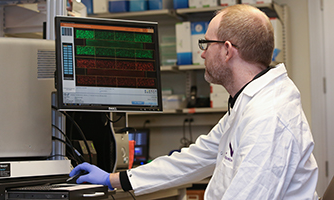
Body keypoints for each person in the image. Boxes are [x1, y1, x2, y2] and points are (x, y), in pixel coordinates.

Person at [69, 4, 319, 199]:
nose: (202, 52)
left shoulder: (268, 116)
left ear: (227, 50)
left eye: (206, 43)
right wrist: (115, 179)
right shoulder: (247, 103)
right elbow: (196, 158)